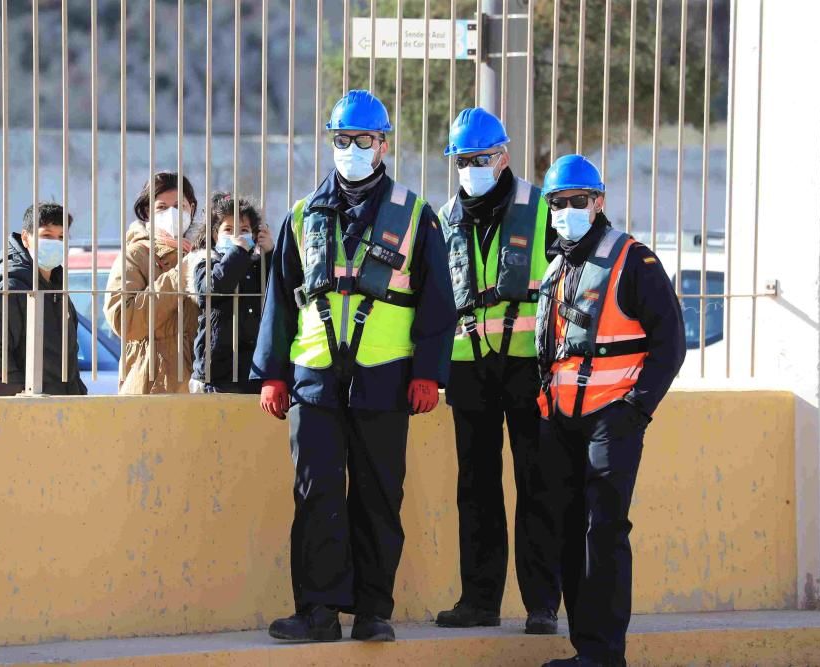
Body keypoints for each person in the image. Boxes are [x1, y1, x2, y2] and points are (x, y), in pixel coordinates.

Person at [251, 89, 457, 643]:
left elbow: (439, 301)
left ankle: (372, 612)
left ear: (383, 144)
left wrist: (429, 374)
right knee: (315, 493)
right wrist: (272, 373)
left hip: (385, 376)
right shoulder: (302, 215)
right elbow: (280, 299)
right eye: (341, 139)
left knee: (378, 495)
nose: (350, 149)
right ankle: (317, 613)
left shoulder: (414, 214)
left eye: (361, 140)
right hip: (314, 378)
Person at [534, 155, 685, 667]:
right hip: (561, 421)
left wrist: (637, 409)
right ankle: (586, 650)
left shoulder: (632, 258)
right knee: (569, 529)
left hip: (612, 418)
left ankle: (604, 654)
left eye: (578, 201)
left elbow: (671, 343)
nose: (567, 211)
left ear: (598, 202)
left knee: (603, 530)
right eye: (558, 202)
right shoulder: (557, 266)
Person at [433, 107, 561, 634]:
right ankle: (479, 601)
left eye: (481, 158)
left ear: (504, 156)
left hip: (528, 365)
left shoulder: (541, 208)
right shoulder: (444, 218)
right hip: (469, 368)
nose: (472, 167)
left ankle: (542, 605)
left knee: (537, 483)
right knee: (476, 487)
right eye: (463, 160)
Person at [103, 171, 200, 394]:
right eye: (162, 208)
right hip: (152, 385)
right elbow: (123, 321)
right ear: (148, 212)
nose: (173, 213)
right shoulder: (135, 254)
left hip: (200, 384)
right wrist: (177, 276)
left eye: (179, 205)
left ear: (191, 208)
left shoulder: (203, 255)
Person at [0, 202, 87, 396]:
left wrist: (77, 395)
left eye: (62, 237)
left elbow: (69, 358)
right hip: (31, 411)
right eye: (46, 236)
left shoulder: (59, 288)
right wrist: (23, 396)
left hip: (64, 409)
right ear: (26, 238)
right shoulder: (14, 288)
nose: (56, 242)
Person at [188, 193, 274, 393]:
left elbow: (275, 287)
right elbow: (213, 287)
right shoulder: (205, 261)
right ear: (215, 235)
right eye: (228, 229)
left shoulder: (255, 266)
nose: (237, 236)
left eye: (244, 230)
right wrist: (237, 252)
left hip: (252, 369)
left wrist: (269, 254)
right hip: (216, 371)